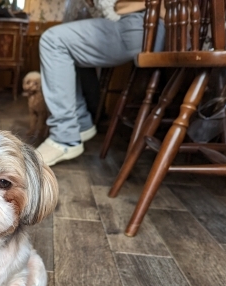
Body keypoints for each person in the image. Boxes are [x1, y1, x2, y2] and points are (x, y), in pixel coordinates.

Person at [36, 0, 165, 166]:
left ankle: (65, 137)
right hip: (150, 26)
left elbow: (118, 7)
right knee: (70, 44)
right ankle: (81, 123)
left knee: (52, 40)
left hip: (146, 25)